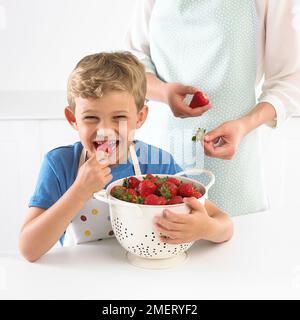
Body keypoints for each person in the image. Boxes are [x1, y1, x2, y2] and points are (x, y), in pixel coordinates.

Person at [19, 52, 233, 262]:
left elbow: (225, 225)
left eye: (119, 117)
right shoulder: (60, 165)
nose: (105, 130)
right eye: (91, 117)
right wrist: (78, 191)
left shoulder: (158, 163)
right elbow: (29, 249)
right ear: (73, 119)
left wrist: (205, 228)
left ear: (140, 118)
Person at [126, 0, 300, 216]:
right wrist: (164, 92)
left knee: (231, 243)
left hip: (231, 167)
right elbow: (135, 61)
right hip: (159, 152)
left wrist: (244, 125)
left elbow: (289, 81)